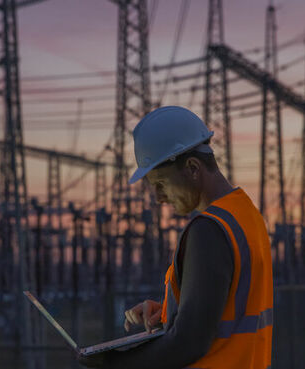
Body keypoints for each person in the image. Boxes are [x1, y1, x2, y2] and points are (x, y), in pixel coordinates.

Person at [79, 106, 273, 369]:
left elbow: (189, 343)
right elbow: (225, 309)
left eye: (160, 183)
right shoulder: (246, 215)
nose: (158, 198)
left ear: (193, 168)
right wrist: (170, 311)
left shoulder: (209, 231)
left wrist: (113, 363)